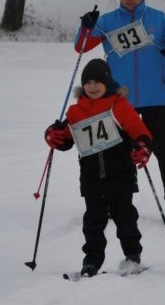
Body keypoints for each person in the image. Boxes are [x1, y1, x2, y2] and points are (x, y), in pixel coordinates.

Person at [74, 0, 165, 219]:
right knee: (116, 153)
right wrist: (86, 26)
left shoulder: (159, 19)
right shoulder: (107, 21)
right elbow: (81, 46)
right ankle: (114, 200)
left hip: (156, 97)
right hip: (119, 100)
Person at [44, 59, 153, 277]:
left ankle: (132, 256)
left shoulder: (118, 106)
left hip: (121, 175)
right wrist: (52, 135)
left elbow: (139, 130)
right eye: (88, 83)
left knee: (125, 218)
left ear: (107, 82)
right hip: (91, 178)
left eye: (97, 82)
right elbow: (65, 137)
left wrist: (142, 145)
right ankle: (91, 262)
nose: (92, 87)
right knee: (93, 223)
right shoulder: (76, 112)